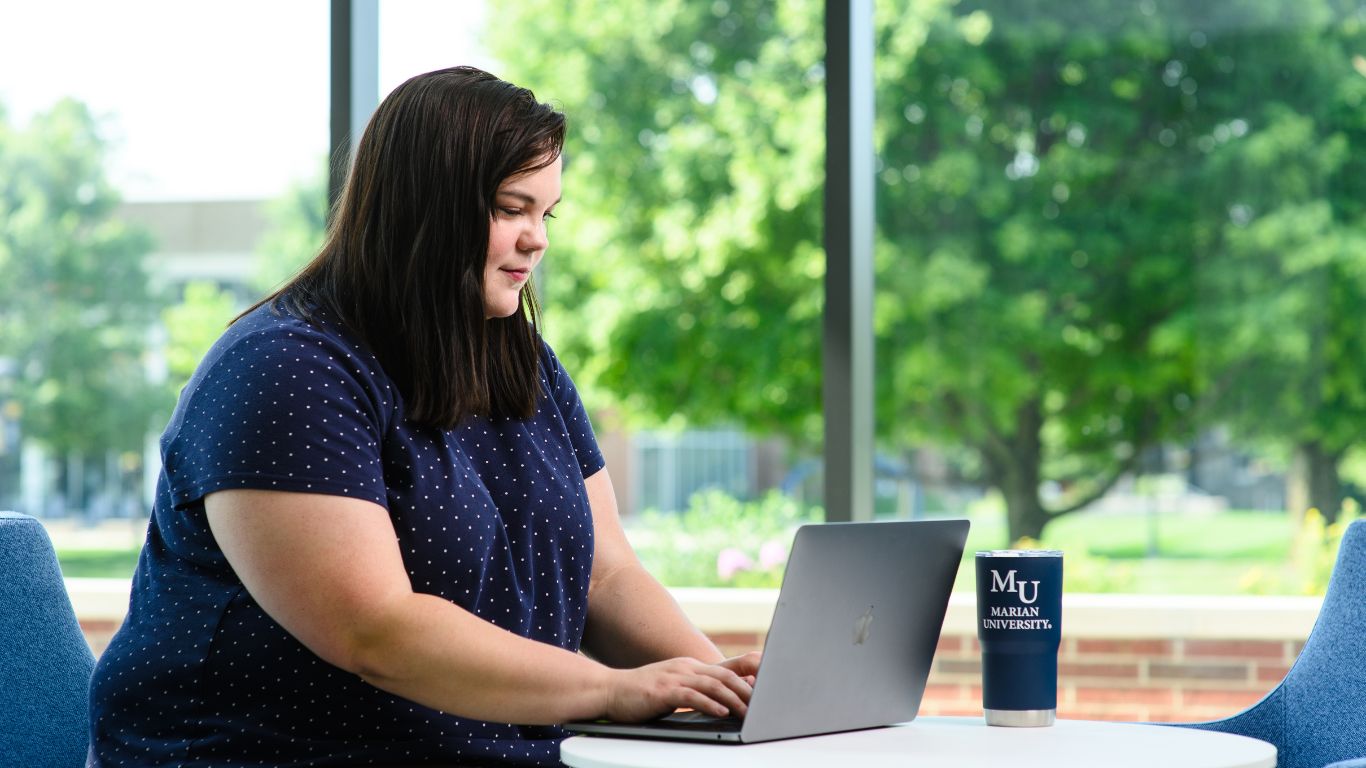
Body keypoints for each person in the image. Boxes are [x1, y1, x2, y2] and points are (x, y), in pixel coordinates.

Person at [88, 66, 760, 768]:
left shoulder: (521, 359)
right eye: (510, 209)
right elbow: (376, 631)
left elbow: (605, 577)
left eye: (545, 214)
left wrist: (731, 699)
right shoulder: (283, 370)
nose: (538, 239)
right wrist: (612, 691)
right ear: (425, 206)